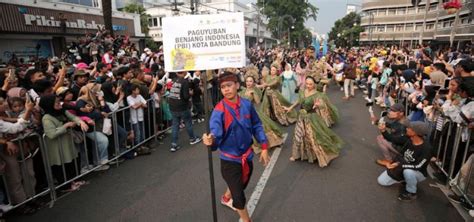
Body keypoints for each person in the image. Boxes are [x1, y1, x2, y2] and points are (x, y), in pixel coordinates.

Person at [202, 72, 270, 222]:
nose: (226, 89)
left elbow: (257, 125)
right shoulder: (219, 110)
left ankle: (226, 197)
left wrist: (264, 146)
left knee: (240, 186)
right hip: (229, 161)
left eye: (229, 85)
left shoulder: (247, 104)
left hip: (247, 156)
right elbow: (215, 131)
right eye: (222, 87)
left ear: (237, 85)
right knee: (239, 196)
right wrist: (210, 139)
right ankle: (247, 220)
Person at [284, 76, 343, 167]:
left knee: (313, 136)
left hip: (311, 117)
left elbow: (322, 105)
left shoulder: (317, 94)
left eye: (310, 84)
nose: (308, 85)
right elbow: (299, 101)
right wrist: (290, 108)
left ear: (314, 84)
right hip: (301, 117)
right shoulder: (302, 91)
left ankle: (320, 155)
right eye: (307, 83)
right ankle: (295, 155)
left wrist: (318, 105)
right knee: (298, 135)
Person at [40, 95, 89, 192]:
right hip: (56, 146)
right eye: (56, 103)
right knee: (59, 164)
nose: (59, 104)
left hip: (66, 143)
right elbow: (51, 134)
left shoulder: (62, 111)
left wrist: (81, 122)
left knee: (70, 161)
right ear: (49, 105)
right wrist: (66, 125)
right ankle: (64, 187)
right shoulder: (47, 118)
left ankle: (72, 181)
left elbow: (73, 117)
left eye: (59, 102)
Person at [377, 121, 431, 201]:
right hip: (403, 166)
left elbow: (419, 166)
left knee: (408, 172)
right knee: (381, 181)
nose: (407, 129)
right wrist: (383, 130)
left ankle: (411, 193)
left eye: (409, 128)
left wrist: (400, 165)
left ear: (415, 132)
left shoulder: (427, 148)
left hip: (417, 172)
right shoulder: (408, 139)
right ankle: (405, 179)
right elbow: (392, 139)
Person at [239, 73, 284, 153]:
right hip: (243, 113)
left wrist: (253, 93)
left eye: (250, 81)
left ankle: (269, 142)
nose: (248, 83)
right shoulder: (242, 91)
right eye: (247, 81)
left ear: (253, 82)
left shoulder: (255, 91)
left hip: (252, 112)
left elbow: (258, 102)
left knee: (262, 128)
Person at [168, 71, 202, 152]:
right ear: (184, 72)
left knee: (175, 125)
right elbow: (186, 96)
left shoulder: (173, 81)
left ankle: (174, 144)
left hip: (173, 106)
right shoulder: (184, 82)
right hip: (182, 106)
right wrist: (190, 93)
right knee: (188, 123)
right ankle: (192, 138)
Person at [376, 103, 410, 168]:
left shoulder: (403, 125)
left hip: (403, 151)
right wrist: (377, 121)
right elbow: (391, 125)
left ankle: (389, 160)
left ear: (401, 113)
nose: (390, 112)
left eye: (393, 111)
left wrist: (383, 131)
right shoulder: (401, 119)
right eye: (390, 110)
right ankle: (395, 157)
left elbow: (393, 139)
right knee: (382, 137)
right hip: (400, 146)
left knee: (380, 138)